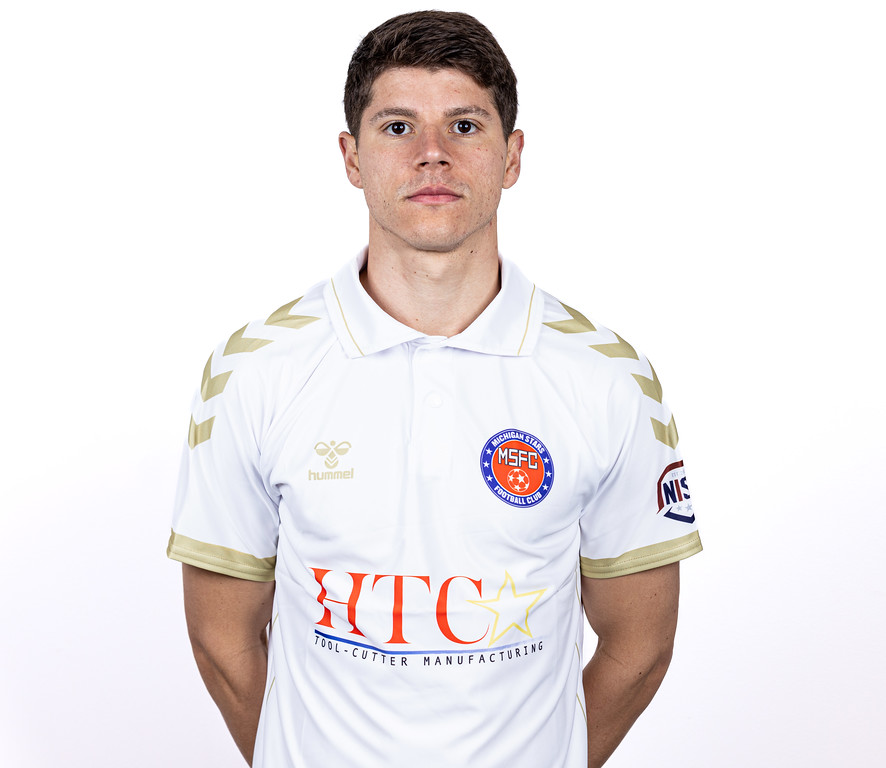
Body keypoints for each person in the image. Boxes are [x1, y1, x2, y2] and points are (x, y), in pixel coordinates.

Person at [167, 10, 702, 768]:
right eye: (397, 127)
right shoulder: (253, 371)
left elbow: (639, 646)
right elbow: (221, 640)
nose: (431, 155)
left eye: (464, 126)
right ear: (352, 158)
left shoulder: (609, 379)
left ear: (512, 156)